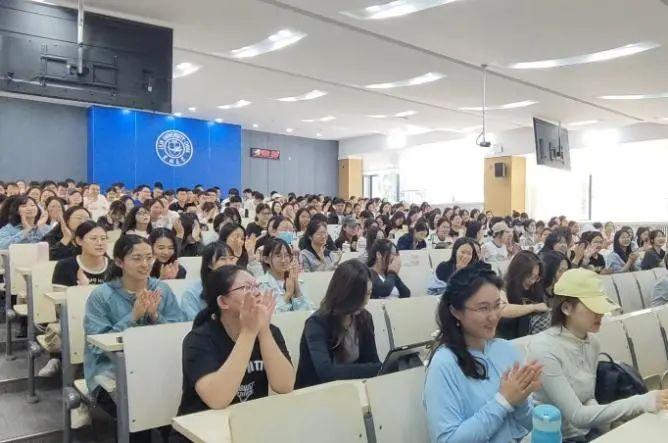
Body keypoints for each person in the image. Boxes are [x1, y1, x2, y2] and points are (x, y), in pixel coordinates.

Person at [527, 269, 668, 441]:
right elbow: (577, 415)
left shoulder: (592, 343)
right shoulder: (544, 350)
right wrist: (641, 402)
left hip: (587, 433)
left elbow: (588, 398)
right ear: (566, 308)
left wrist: (605, 429)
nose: (600, 314)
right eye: (592, 307)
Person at [424, 264, 541, 443]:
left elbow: (529, 424)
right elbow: (447, 439)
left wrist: (521, 400)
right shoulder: (444, 364)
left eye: (497, 305)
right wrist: (503, 401)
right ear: (456, 311)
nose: (493, 316)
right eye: (483, 308)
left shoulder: (506, 349)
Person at [84, 235, 183, 438]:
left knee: (180, 412)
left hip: (156, 368)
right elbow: (96, 347)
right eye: (137, 258)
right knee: (139, 417)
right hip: (110, 372)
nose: (145, 264)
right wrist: (133, 316)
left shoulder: (161, 289)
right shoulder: (101, 296)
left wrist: (155, 316)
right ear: (120, 262)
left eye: (149, 257)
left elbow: (177, 332)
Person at [174, 265, 294, 421]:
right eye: (246, 288)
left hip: (248, 422)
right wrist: (248, 333)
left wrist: (263, 329)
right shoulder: (198, 339)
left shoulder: (271, 332)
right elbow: (217, 400)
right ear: (223, 301)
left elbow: (285, 386)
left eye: (257, 286)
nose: (257, 293)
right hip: (201, 426)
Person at [295, 260, 381, 388]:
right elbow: (326, 372)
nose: (365, 301)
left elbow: (372, 360)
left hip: (352, 388)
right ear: (345, 293)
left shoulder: (365, 318)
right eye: (359, 295)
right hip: (315, 391)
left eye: (368, 293)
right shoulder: (316, 324)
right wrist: (376, 368)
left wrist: (380, 367)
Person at [497, 251, 549, 340]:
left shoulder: (535, 288)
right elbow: (502, 310)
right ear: (518, 272)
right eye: (529, 276)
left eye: (536, 277)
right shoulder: (503, 287)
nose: (532, 281)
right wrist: (533, 307)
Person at [180, 242, 238, 321]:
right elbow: (194, 323)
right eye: (223, 259)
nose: (229, 263)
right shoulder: (191, 293)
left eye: (231, 259)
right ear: (209, 264)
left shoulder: (239, 286)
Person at [257, 238, 314, 312]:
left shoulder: (299, 281)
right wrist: (288, 295)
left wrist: (297, 291)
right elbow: (267, 314)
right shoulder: (260, 285)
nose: (283, 260)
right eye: (278, 256)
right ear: (266, 259)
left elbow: (310, 312)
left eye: (287, 255)